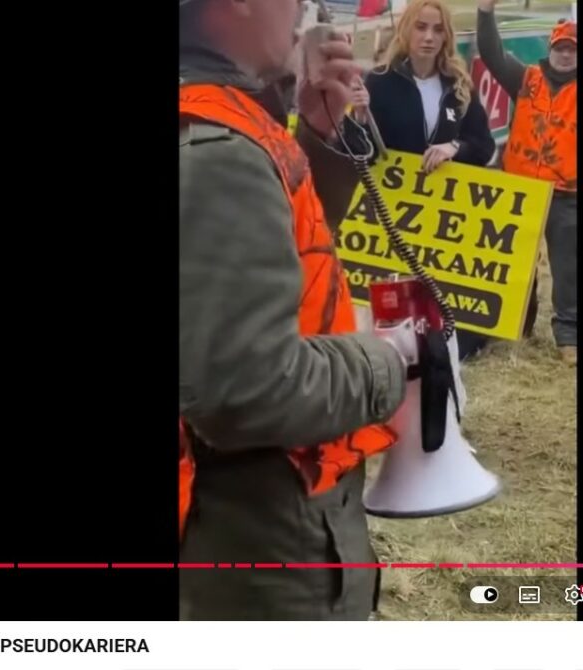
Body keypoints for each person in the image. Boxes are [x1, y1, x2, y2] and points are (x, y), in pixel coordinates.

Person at [179, 0, 409, 620]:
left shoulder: (220, 125)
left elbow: (266, 264)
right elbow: (246, 389)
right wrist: (391, 359)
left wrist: (321, 140)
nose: (305, 7)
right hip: (261, 538)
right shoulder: (217, 148)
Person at [363, 0, 497, 361]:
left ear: (447, 36)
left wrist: (455, 146)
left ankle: (447, 341)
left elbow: (483, 146)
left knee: (441, 284)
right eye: (421, 27)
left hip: (443, 213)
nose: (429, 37)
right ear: (406, 29)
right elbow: (362, 151)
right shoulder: (377, 81)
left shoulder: (458, 84)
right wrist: (358, 115)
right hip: (395, 209)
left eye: (438, 30)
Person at [477, 1, 577, 364]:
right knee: (517, 263)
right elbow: (491, 53)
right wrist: (485, 14)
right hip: (521, 189)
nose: (566, 55)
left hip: (567, 192)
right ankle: (517, 326)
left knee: (568, 269)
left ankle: (568, 337)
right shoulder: (526, 78)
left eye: (572, 50)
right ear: (550, 49)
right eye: (561, 48)